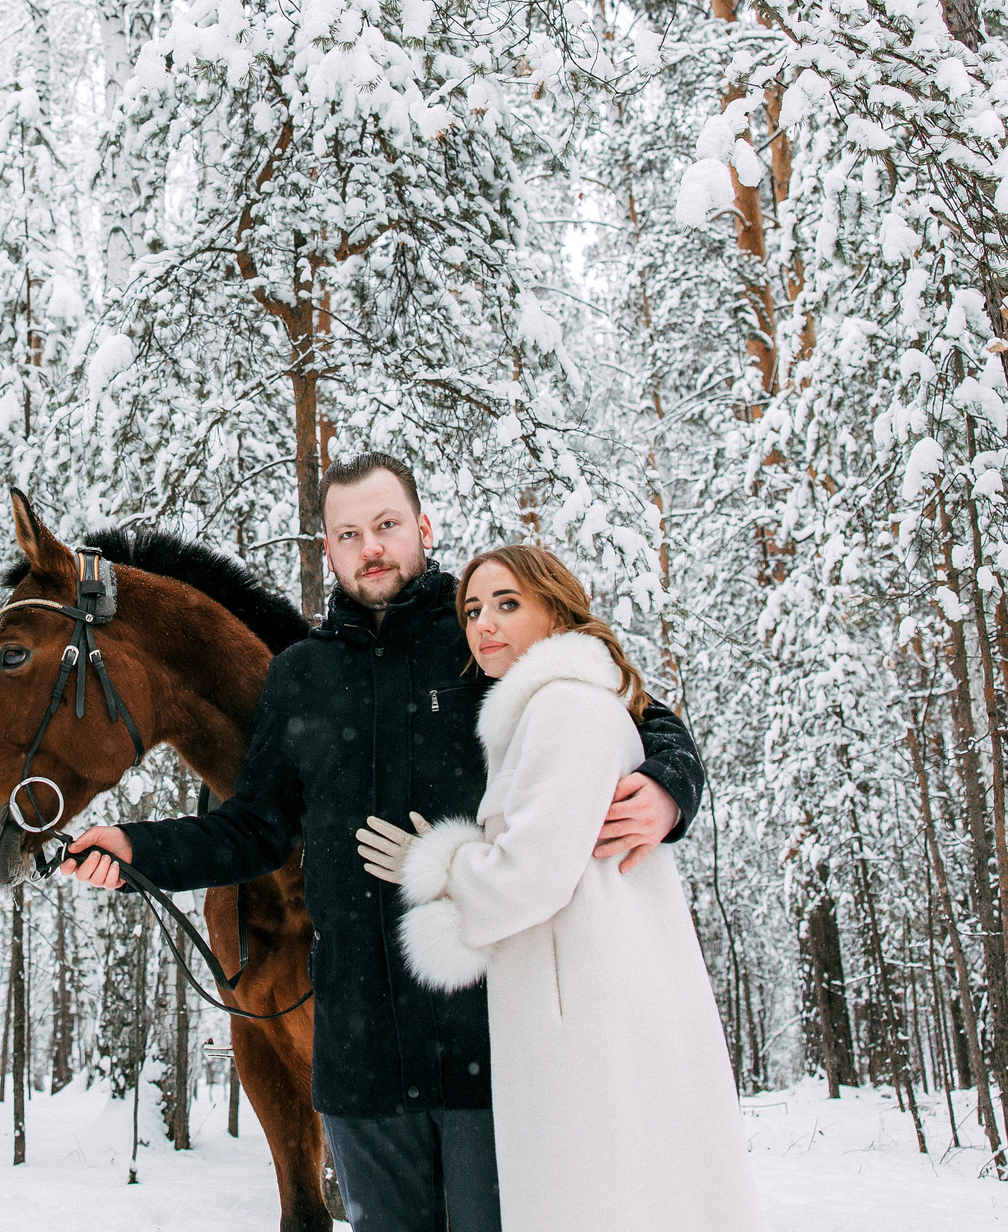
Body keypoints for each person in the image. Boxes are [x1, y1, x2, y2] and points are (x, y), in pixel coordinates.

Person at [61, 453, 706, 1232]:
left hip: (497, 1048)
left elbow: (615, 696)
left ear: (422, 528)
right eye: (349, 533)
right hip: (360, 1067)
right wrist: (136, 850)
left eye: (387, 526)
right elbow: (255, 827)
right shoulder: (301, 676)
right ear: (327, 550)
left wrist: (672, 780)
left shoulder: (482, 641)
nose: (371, 547)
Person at [356, 544, 758, 1232]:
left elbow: (526, 876)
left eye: (507, 603)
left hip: (583, 1023)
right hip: (593, 1003)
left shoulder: (561, 707)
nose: (484, 623)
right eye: (474, 609)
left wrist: (441, 867)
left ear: (556, 610)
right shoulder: (560, 702)